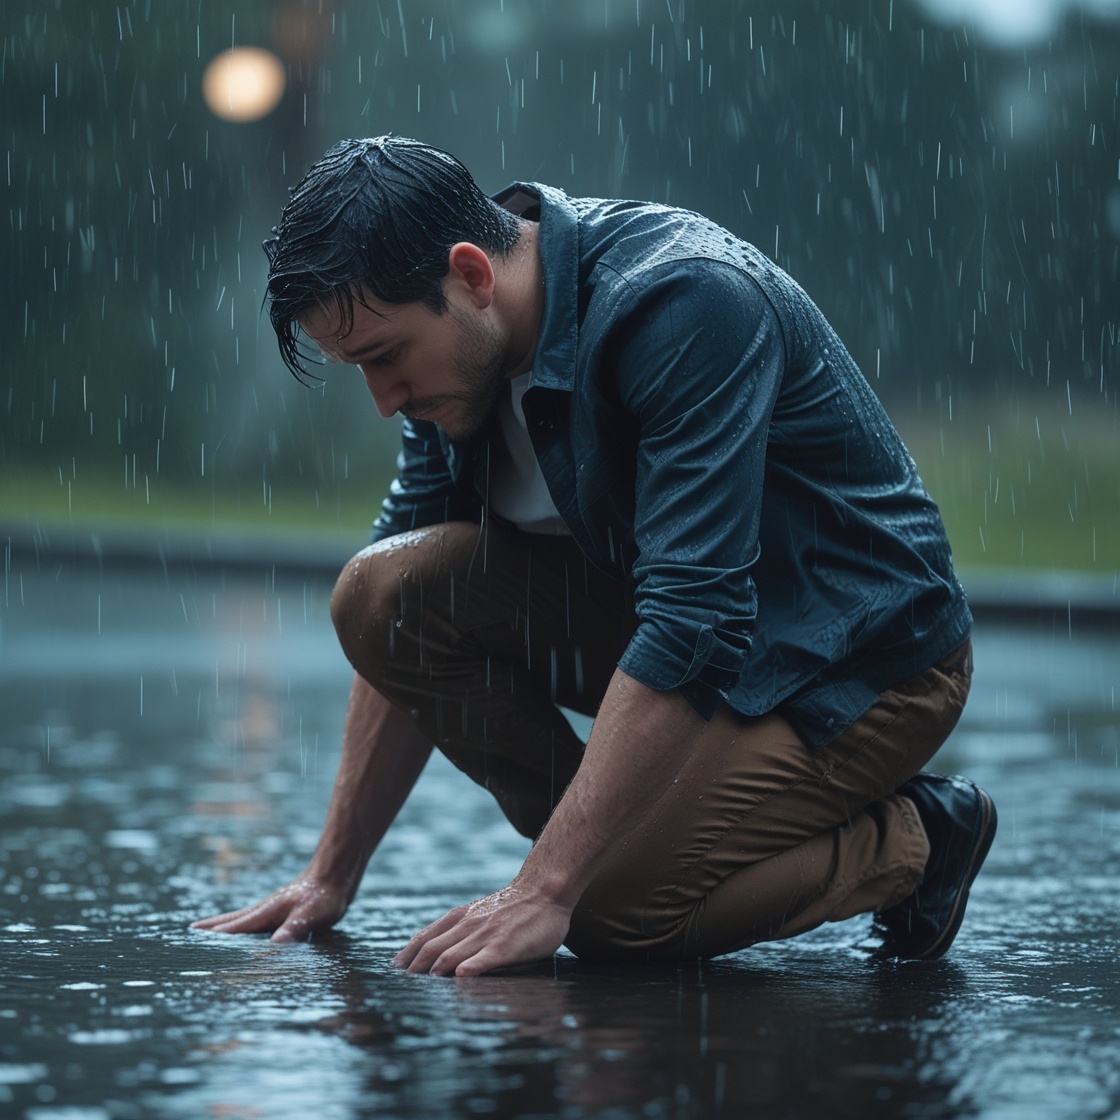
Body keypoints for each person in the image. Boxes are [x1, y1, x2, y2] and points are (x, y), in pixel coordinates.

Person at [192, 136, 997, 975]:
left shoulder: (685, 304)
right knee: (380, 594)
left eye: (386, 355)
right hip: (690, 630)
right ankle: (637, 849)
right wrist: (331, 874)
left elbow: (694, 621)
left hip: (855, 661)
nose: (384, 400)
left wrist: (552, 888)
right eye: (356, 367)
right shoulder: (456, 366)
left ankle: (917, 839)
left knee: (614, 915)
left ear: (471, 274)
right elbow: (399, 615)